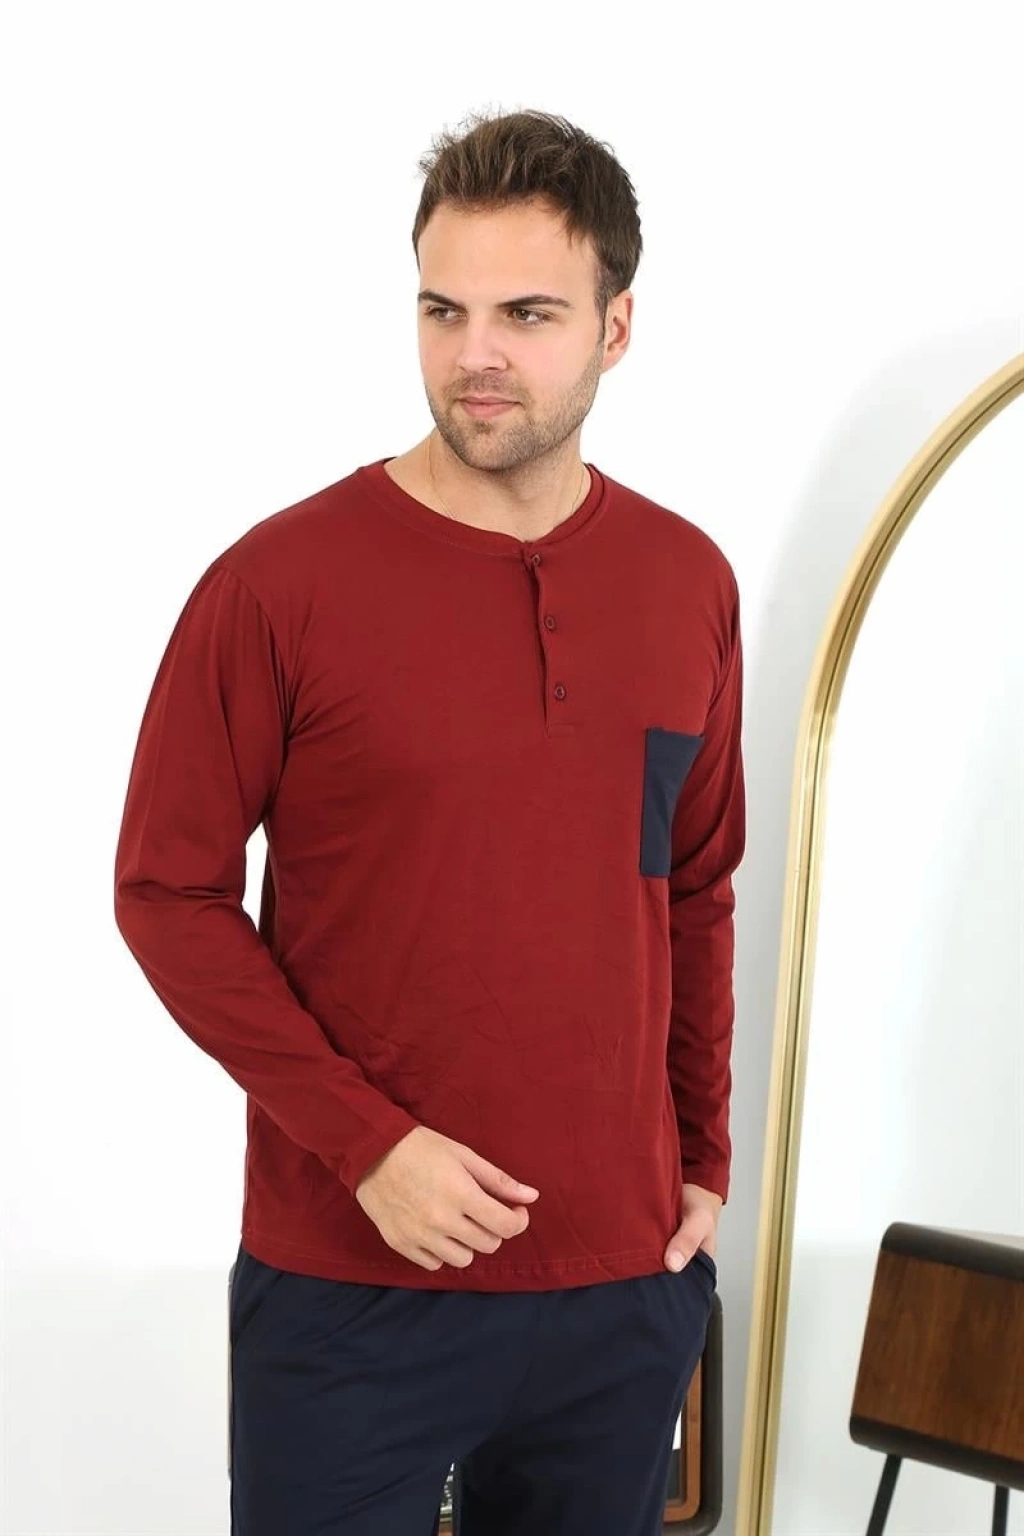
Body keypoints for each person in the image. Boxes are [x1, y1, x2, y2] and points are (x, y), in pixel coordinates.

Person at [113, 107, 746, 1536]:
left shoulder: (686, 581)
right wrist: (367, 1145)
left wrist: (702, 1156)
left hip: (620, 1286)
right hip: (352, 1282)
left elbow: (696, 885)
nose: (475, 354)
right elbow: (166, 893)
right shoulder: (277, 585)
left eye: (528, 314)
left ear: (617, 327)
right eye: (443, 309)